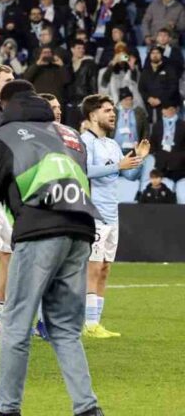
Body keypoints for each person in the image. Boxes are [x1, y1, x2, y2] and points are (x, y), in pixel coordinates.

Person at [0, 80, 104, 416]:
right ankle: (88, 408)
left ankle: (7, 409)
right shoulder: (71, 136)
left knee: (16, 324)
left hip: (39, 231)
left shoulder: (5, 135)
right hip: (81, 230)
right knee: (65, 329)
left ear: (5, 104)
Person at [80, 94, 148, 340]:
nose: (112, 114)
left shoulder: (112, 144)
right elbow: (83, 170)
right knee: (93, 266)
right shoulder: (84, 141)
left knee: (105, 267)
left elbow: (125, 176)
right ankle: (88, 323)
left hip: (112, 213)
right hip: (92, 212)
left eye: (113, 111)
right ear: (93, 115)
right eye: (107, 110)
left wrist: (137, 159)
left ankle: (95, 322)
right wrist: (117, 166)